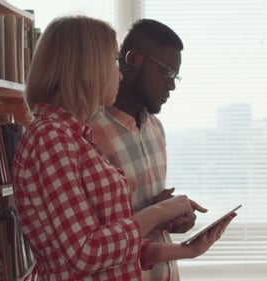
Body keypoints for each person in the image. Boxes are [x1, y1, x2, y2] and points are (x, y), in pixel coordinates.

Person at [12, 15, 235, 281]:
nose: (118, 72)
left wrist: (187, 251)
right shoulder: (50, 137)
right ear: (86, 67)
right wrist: (161, 211)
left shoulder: (75, 135)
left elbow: (114, 250)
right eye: (112, 61)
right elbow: (86, 253)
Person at [89, 18, 203, 281]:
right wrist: (156, 213)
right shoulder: (87, 131)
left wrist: (172, 216)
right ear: (133, 59)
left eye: (176, 75)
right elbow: (86, 238)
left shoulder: (156, 128)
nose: (172, 85)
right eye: (167, 72)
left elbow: (145, 212)